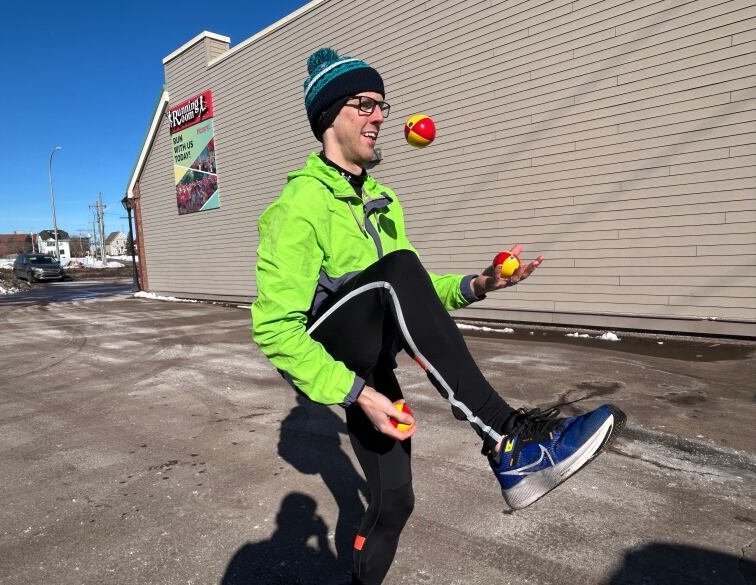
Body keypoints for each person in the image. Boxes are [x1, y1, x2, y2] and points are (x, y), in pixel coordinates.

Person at [251, 47, 626, 585]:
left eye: (382, 104)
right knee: (396, 267)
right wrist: (354, 393)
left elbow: (411, 293)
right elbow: (273, 327)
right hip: (334, 353)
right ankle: (509, 439)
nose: (381, 116)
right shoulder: (297, 206)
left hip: (372, 367)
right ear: (329, 115)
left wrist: (479, 284)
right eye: (364, 104)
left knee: (395, 502)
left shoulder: (382, 199)